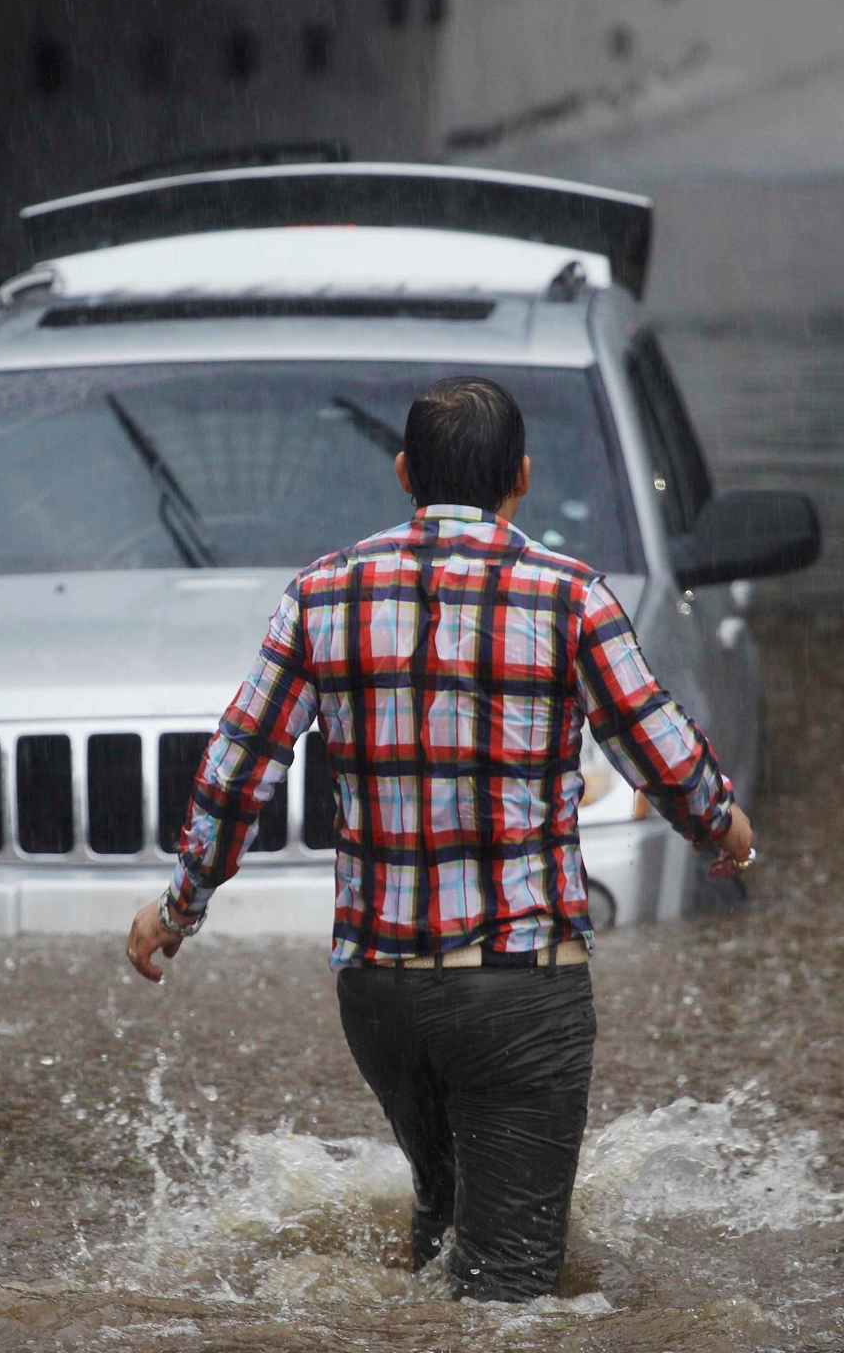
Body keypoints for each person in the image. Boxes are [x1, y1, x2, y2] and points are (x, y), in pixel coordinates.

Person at [124, 374, 757, 1302]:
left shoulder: (321, 594)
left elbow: (240, 768)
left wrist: (178, 908)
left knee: (444, 1229)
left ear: (404, 473)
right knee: (510, 1288)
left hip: (379, 997)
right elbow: (657, 752)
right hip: (516, 994)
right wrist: (721, 827)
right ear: (524, 478)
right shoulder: (570, 598)